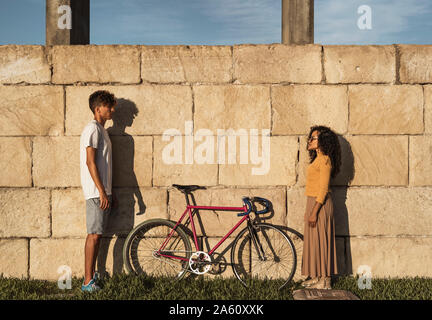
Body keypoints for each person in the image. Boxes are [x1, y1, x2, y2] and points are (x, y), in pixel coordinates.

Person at [80, 90, 117, 292]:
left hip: (103, 191)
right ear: (97, 109)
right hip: (96, 192)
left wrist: (110, 192)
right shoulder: (92, 129)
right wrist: (102, 192)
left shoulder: (103, 131)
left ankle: (92, 277)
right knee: (94, 235)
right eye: (108, 106)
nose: (112, 110)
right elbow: (90, 162)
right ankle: (87, 282)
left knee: (98, 235)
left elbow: (104, 164)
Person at [301, 125, 341, 289]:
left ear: (323, 141)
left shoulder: (324, 160)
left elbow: (323, 189)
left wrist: (314, 212)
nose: (310, 140)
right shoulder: (317, 159)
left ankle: (325, 280)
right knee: (314, 241)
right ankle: (317, 276)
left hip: (321, 204)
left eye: (314, 138)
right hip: (313, 201)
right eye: (310, 137)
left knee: (322, 241)